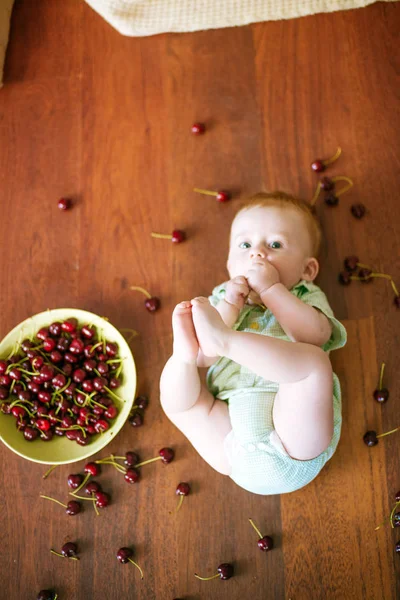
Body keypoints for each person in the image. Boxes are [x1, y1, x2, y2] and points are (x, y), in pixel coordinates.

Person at [160, 191, 347, 495]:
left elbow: (315, 338)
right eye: (245, 245)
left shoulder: (304, 295)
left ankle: (223, 341)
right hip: (232, 444)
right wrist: (229, 307)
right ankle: (181, 356)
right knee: (181, 402)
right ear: (230, 264)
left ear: (307, 270)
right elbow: (207, 358)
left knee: (314, 364)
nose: (257, 253)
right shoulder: (222, 296)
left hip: (294, 437)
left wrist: (272, 289)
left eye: (275, 244)